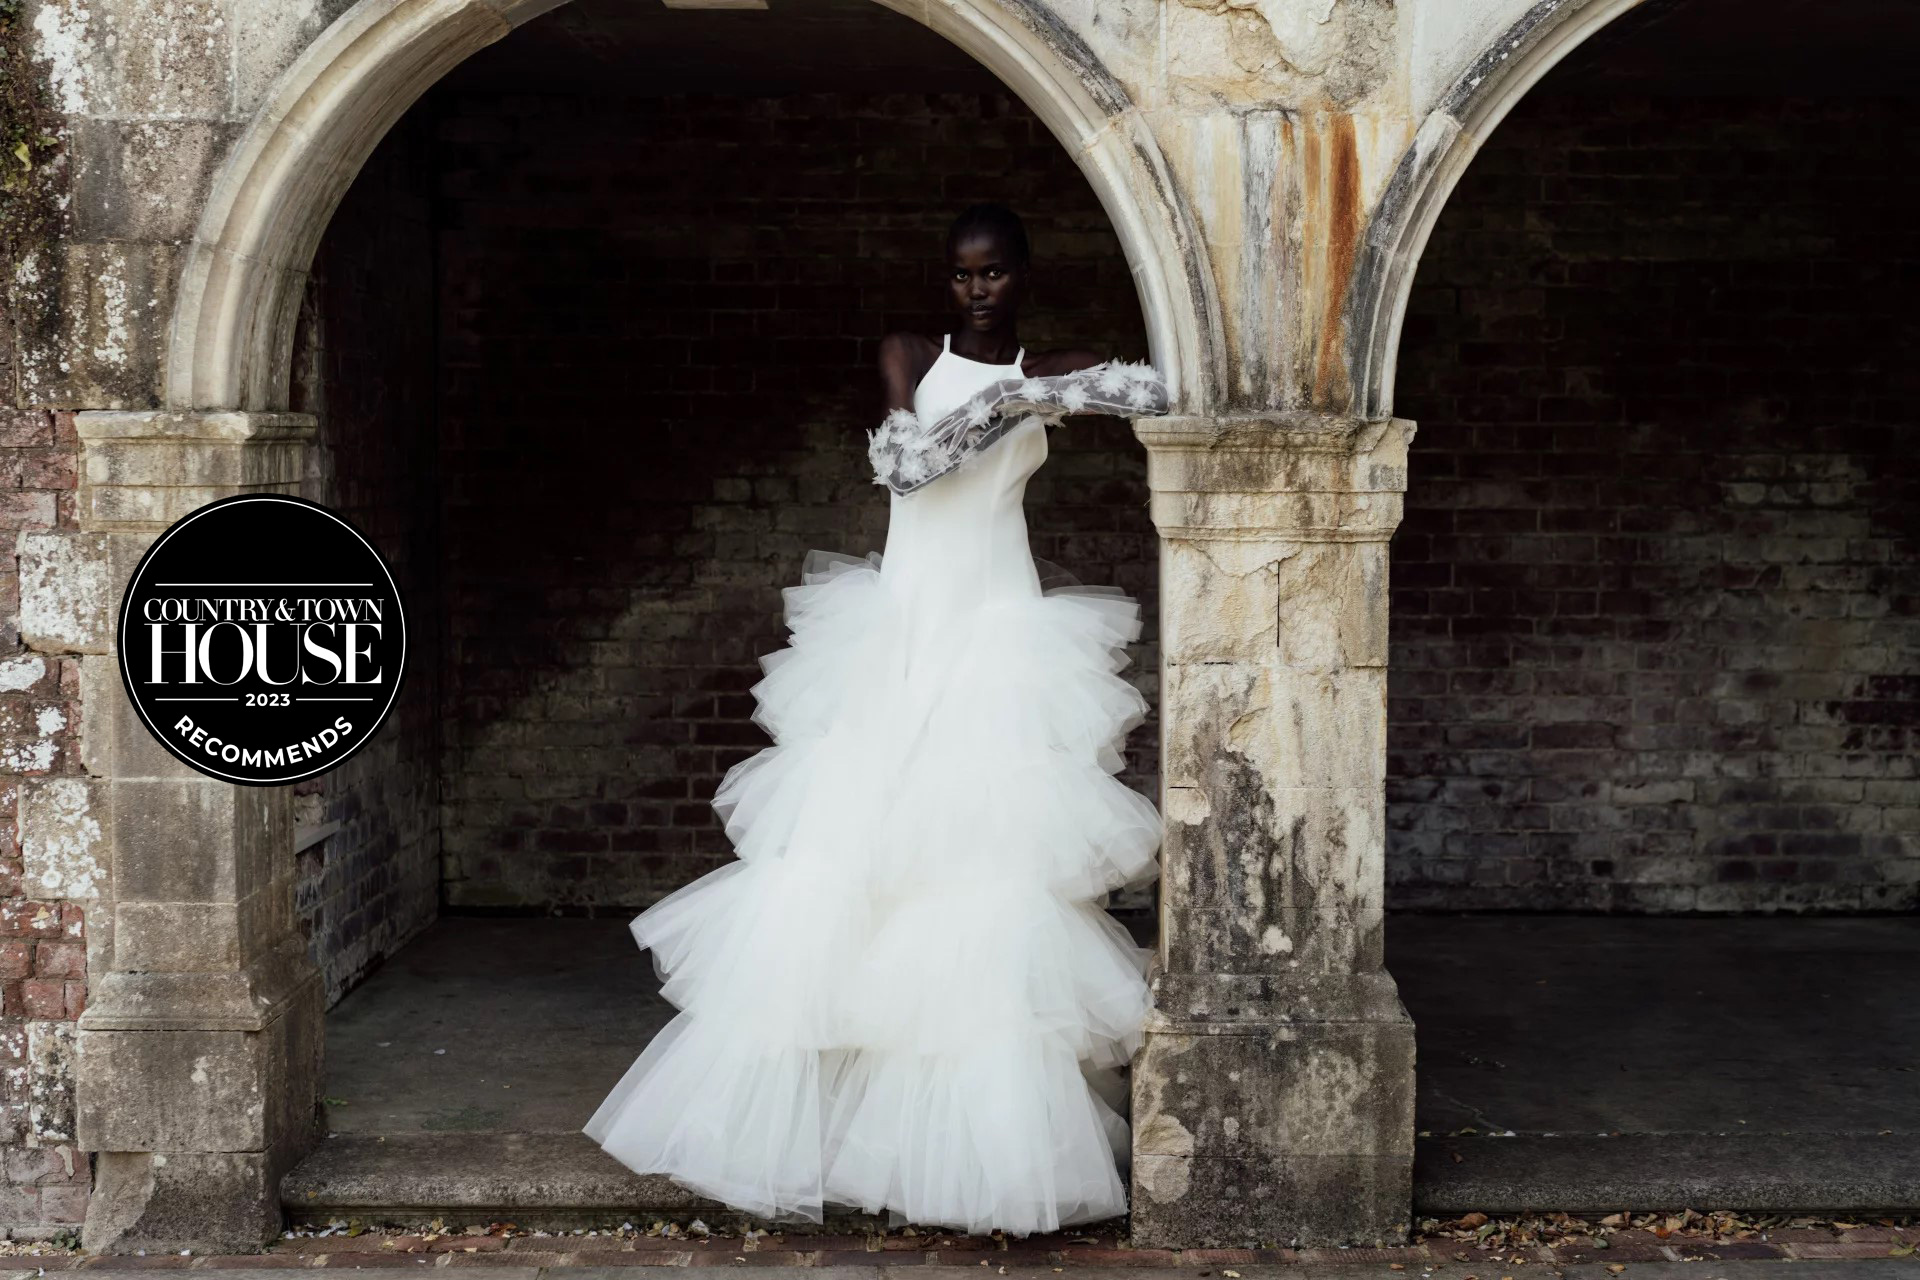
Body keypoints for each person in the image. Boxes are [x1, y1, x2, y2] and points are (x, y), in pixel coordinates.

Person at [583, 202, 1166, 1236]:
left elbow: (1160, 387)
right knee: (848, 850)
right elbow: (907, 465)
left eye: (991, 274)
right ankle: (801, 1130)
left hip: (997, 628)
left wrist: (1062, 385)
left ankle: (974, 1154)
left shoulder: (1047, 363)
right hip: (902, 624)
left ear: (1022, 276)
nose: (975, 290)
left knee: (984, 868)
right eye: (960, 275)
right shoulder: (908, 351)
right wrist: (1021, 400)